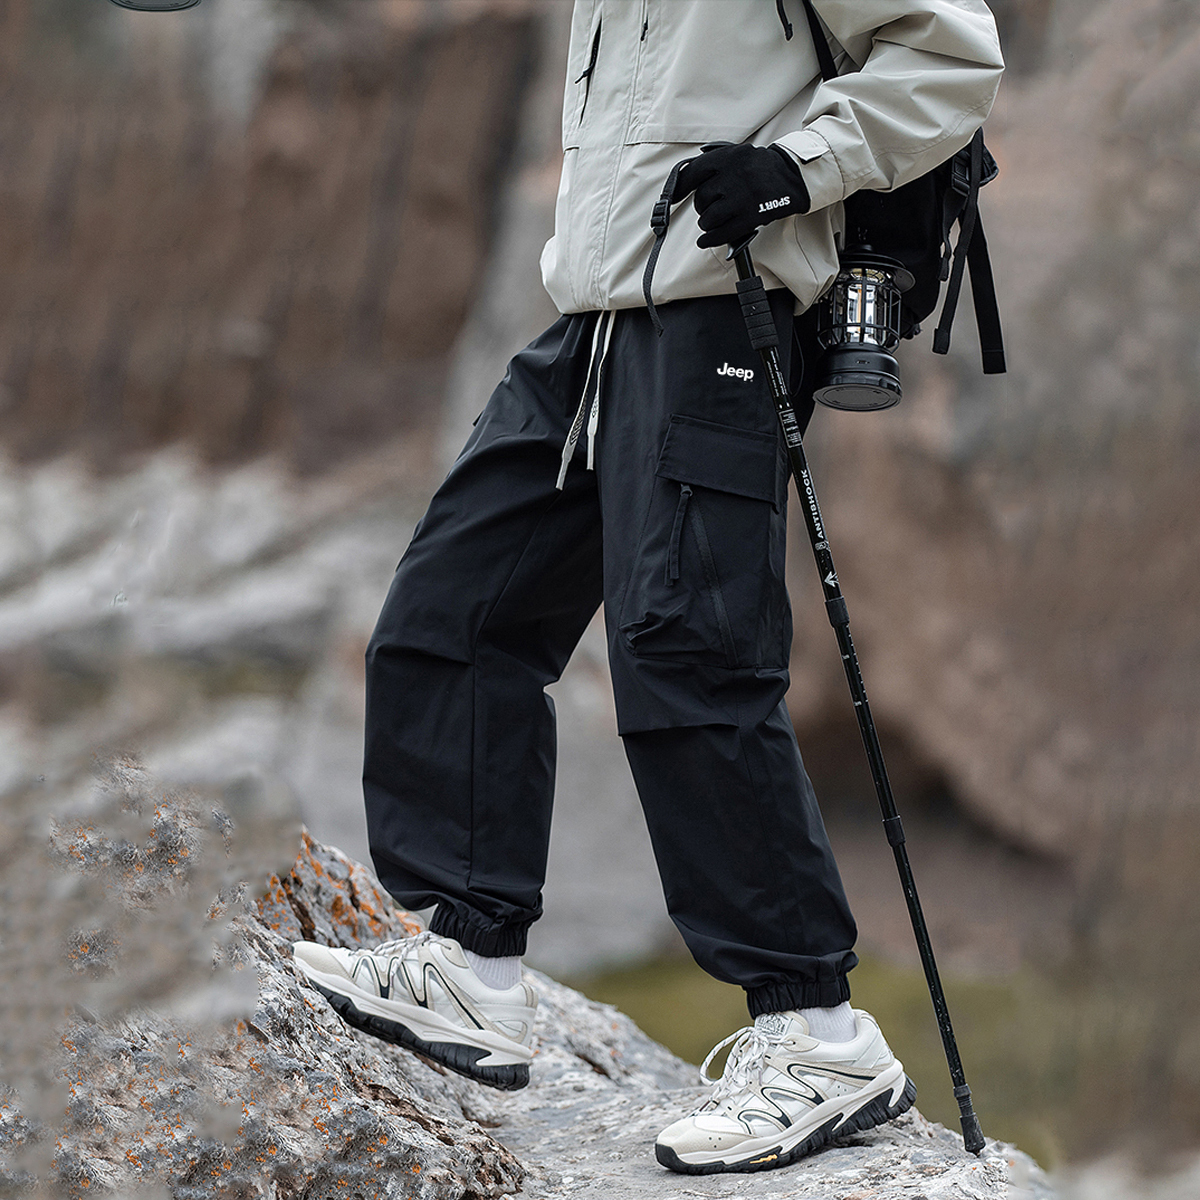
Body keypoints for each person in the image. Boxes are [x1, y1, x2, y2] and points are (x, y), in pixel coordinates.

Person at [293, 0, 1004, 1175]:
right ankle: (472, 967)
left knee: (690, 659)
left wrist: (790, 169)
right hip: (597, 319)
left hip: (721, 314)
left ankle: (820, 1039)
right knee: (452, 613)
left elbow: (951, 54)